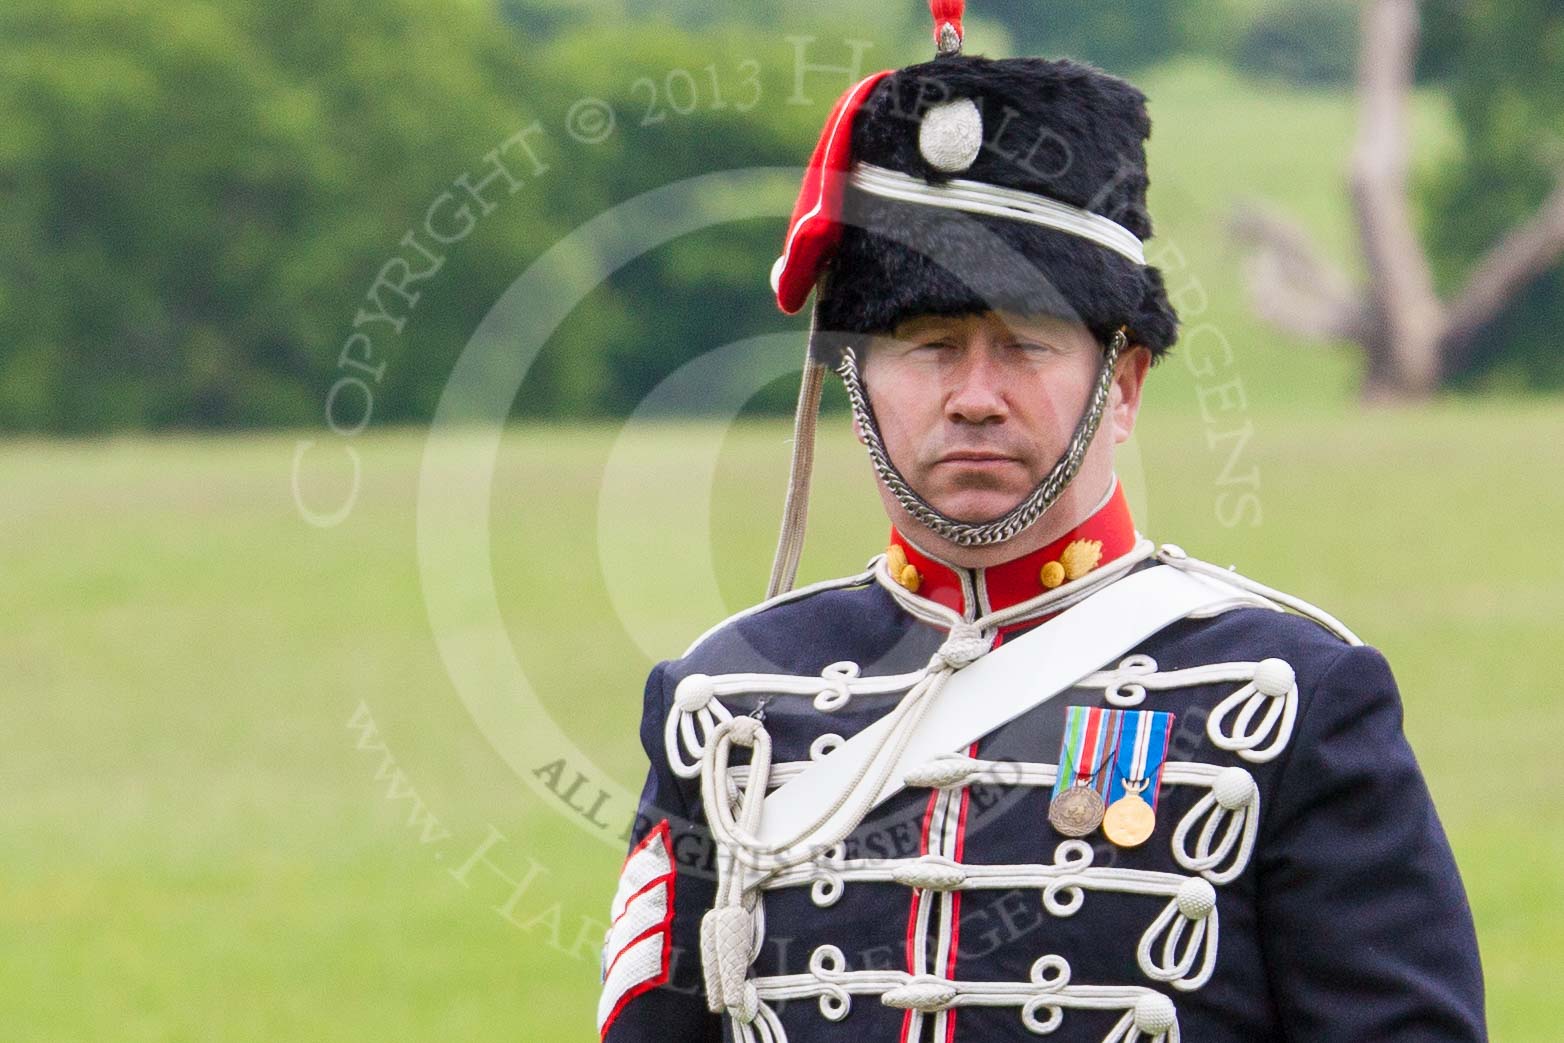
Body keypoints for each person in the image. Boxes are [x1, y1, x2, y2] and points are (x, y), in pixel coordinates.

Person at [597, 5, 1486, 1041]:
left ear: (1124, 382)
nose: (975, 394)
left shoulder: (1291, 697)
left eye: (1023, 343)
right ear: (855, 378)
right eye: (928, 343)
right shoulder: (727, 704)